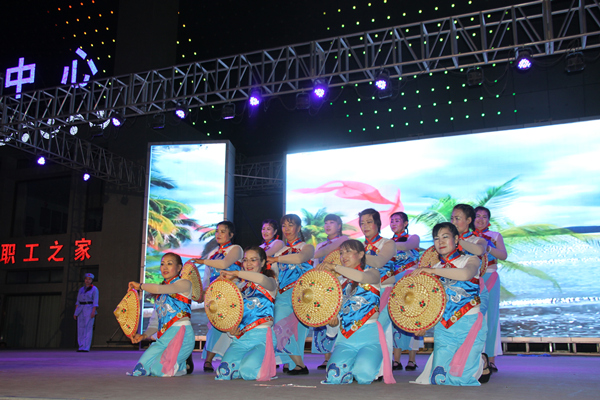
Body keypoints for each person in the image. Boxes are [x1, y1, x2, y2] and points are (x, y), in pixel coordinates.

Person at [412, 222, 489, 386]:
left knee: (459, 380)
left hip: (469, 324)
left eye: (445, 237)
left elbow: (466, 274)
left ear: (456, 239)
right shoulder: (435, 268)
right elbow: (431, 301)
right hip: (444, 327)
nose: (440, 242)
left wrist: (432, 271)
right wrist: (424, 324)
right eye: (436, 238)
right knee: (438, 379)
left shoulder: (470, 260)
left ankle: (481, 362)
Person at [317, 239, 395, 384]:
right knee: (333, 377)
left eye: (348, 251)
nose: (343, 256)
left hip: (370, 338)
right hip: (345, 338)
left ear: (360, 254)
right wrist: (333, 322)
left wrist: (335, 267)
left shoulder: (372, 273)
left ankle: (358, 367)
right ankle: (348, 367)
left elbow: (360, 277)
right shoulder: (338, 282)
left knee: (363, 376)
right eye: (341, 253)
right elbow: (335, 311)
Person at [216, 247, 278, 381]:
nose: (248, 263)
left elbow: (260, 279)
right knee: (224, 373)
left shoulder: (270, 282)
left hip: (262, 339)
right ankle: (245, 363)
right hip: (241, 339)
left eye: (253, 260)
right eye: (245, 260)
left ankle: (257, 365)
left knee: (248, 372)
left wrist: (236, 273)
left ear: (262, 262)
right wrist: (231, 330)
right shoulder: (239, 287)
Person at [128, 253, 195, 377]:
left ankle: (182, 364)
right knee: (141, 368)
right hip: (164, 338)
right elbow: (155, 322)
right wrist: (143, 336)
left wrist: (141, 286)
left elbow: (159, 289)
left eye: (169, 264)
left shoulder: (184, 284)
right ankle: (177, 361)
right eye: (162, 264)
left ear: (179, 268)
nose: (165, 267)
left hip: (181, 334)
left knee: (159, 371)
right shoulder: (159, 296)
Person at [190, 220, 243, 372]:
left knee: (232, 326)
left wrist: (203, 261)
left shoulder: (236, 249)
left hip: (232, 293)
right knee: (216, 326)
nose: (218, 234)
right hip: (215, 295)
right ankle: (209, 360)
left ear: (231, 235)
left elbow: (224, 264)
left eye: (223, 231)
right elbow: (207, 277)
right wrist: (203, 293)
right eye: (217, 231)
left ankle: (231, 359)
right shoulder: (212, 253)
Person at [267, 214, 314, 375]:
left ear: (299, 228)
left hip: (302, 295)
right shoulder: (280, 251)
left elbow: (300, 258)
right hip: (283, 295)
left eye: (291, 225)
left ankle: (293, 364)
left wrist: (276, 259)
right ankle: (299, 364)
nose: (286, 229)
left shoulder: (307, 247)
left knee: (298, 332)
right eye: (284, 226)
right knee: (280, 327)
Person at [358, 208, 396, 366]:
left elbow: (380, 262)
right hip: (363, 293)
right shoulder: (359, 247)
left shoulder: (388, 243)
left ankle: (378, 368)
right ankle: (369, 366)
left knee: (377, 327)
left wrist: (355, 256)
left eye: (369, 222)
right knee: (365, 329)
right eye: (362, 223)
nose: (365, 226)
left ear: (378, 224)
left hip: (384, 291)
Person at [311, 213, 349, 370]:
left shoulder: (345, 241)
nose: (327, 225)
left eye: (332, 222)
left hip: (342, 282)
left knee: (341, 318)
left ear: (339, 226)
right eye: (326, 223)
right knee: (324, 317)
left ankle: (342, 354)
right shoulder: (320, 245)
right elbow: (315, 264)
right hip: (324, 284)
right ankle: (326, 357)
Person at [474, 206, 507, 373]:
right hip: (472, 279)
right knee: (474, 317)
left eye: (484, 216)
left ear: (488, 220)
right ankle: (473, 357)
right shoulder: (467, 237)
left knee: (491, 318)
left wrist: (488, 248)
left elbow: (503, 255)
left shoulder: (495, 236)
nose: (481, 219)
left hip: (490, 277)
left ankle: (491, 358)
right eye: (477, 216)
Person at [389, 212, 423, 371]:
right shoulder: (388, 241)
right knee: (396, 318)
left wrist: (385, 247)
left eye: (397, 220)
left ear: (405, 223)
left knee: (414, 318)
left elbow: (406, 246)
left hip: (411, 280)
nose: (394, 223)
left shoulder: (413, 238)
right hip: (395, 281)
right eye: (391, 221)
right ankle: (396, 359)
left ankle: (412, 359)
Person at [74, 273, 99, 352]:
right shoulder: (81, 289)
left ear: (91, 280)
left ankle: (86, 347)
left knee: (88, 328)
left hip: (89, 308)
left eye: (89, 279)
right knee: (80, 328)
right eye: (86, 279)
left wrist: (93, 311)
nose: (87, 280)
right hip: (81, 308)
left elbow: (95, 301)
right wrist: (75, 312)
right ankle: (81, 346)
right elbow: (78, 301)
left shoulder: (94, 289)